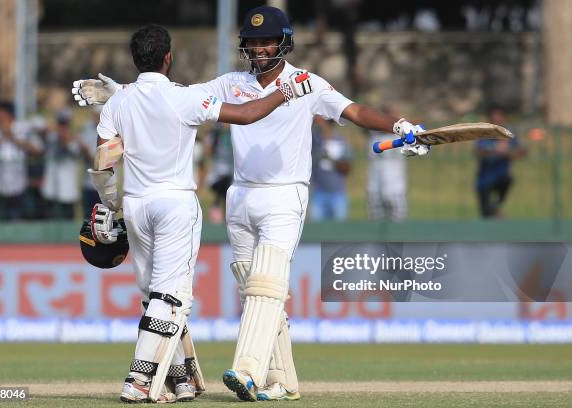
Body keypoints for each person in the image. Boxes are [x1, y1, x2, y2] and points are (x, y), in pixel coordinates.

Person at [72, 6, 427, 402]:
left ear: (284, 42)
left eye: (267, 42)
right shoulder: (231, 83)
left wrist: (400, 126)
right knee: (251, 289)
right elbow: (173, 99)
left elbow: (354, 111)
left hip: (284, 193)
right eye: (253, 43)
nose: (259, 50)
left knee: (267, 286)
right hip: (240, 195)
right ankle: (282, 380)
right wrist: (123, 92)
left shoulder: (306, 83)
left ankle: (247, 371)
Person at [75, 24, 313, 403]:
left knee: (154, 293)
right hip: (174, 205)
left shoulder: (118, 102)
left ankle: (182, 376)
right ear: (169, 57)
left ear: (135, 59)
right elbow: (248, 114)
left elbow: (104, 162)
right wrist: (285, 91)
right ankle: (137, 381)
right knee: (171, 296)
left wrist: (110, 202)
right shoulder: (185, 98)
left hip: (135, 204)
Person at [0, 101, 40, 221]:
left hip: (17, 186)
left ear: (6, 114)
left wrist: (13, 137)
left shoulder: (23, 128)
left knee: (15, 226)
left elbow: (37, 150)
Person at [475, 106, 525, 218]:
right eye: (494, 119)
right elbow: (479, 151)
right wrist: (495, 149)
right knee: (486, 214)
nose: (497, 121)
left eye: (499, 118)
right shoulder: (484, 134)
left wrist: (509, 151)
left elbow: (521, 151)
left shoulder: (508, 134)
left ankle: (496, 208)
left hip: (501, 176)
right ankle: (492, 214)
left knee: (507, 180)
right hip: (485, 180)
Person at [365, 106, 409, 221]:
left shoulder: (401, 136)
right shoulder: (373, 136)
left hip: (397, 189)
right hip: (375, 189)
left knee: (398, 227)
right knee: (376, 227)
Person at [41, 109, 81, 220]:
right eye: (60, 124)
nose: (62, 127)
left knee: (67, 224)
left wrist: (66, 139)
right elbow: (41, 133)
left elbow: (74, 151)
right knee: (49, 222)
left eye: (65, 124)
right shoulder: (51, 136)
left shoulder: (75, 140)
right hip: (51, 189)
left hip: (67, 191)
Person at [310, 117, 352, 221]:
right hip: (318, 193)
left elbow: (347, 168)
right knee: (317, 233)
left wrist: (332, 160)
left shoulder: (340, 141)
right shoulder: (314, 140)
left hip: (338, 194)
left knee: (338, 233)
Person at [205, 123, 233, 223]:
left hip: (232, 173)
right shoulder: (216, 134)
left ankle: (224, 216)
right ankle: (216, 212)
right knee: (222, 194)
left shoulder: (235, 134)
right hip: (218, 174)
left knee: (229, 198)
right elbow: (208, 152)